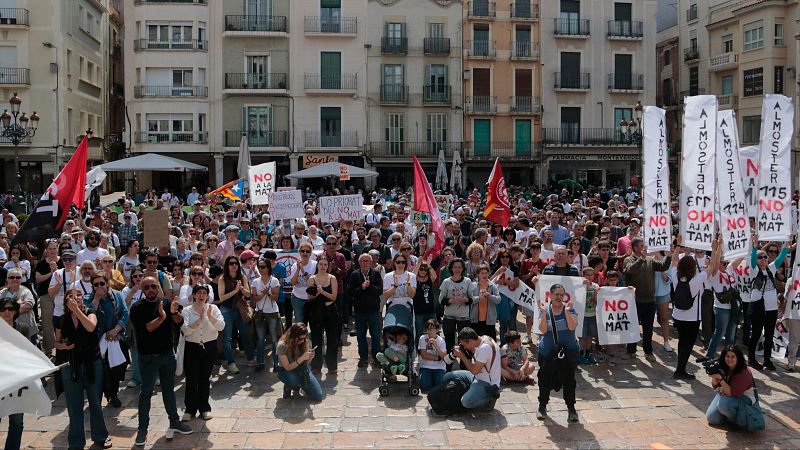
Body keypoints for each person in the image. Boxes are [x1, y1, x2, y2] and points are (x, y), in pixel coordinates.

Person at [129, 276, 192, 447]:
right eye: (147, 287)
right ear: (142, 290)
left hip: (167, 354)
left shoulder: (166, 301)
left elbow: (179, 322)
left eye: (153, 286)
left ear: (158, 287)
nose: (150, 289)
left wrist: (173, 313)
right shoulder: (136, 308)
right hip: (148, 357)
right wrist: (163, 317)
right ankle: (143, 429)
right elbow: (147, 328)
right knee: (146, 393)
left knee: (168, 390)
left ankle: (174, 421)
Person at [55, 288, 111, 450]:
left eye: (79, 294)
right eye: (71, 295)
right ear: (66, 300)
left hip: (92, 364)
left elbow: (90, 327)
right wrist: (64, 347)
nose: (76, 297)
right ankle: (76, 442)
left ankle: (100, 436)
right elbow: (56, 343)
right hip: (70, 366)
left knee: (95, 402)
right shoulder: (62, 320)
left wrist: (77, 310)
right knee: (74, 405)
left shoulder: (90, 311)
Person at [671, 238, 721, 380]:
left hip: (678, 315)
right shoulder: (696, 280)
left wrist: (678, 245)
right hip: (692, 318)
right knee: (688, 344)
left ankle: (679, 368)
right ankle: (680, 370)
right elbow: (711, 267)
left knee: (682, 342)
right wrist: (715, 249)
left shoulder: (676, 276)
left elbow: (674, 261)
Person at [622, 237, 673, 359]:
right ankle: (631, 351)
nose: (643, 248)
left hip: (650, 300)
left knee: (648, 328)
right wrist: (641, 259)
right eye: (641, 246)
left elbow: (663, 266)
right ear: (635, 248)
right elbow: (629, 270)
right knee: (633, 327)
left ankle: (648, 352)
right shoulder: (628, 259)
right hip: (635, 301)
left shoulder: (650, 260)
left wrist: (669, 256)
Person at [536, 284, 580, 423]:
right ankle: (542, 406)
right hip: (548, 353)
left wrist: (567, 312)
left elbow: (573, 326)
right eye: (557, 294)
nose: (559, 297)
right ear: (551, 295)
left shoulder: (570, 308)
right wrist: (543, 313)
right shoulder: (545, 309)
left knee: (569, 381)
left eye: (562, 295)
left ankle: (571, 409)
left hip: (567, 353)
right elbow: (542, 330)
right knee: (544, 380)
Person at [180, 285, 225, 421]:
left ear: (207, 295)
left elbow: (221, 326)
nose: (201, 296)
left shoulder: (214, 308)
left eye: (204, 293)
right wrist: (199, 319)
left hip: (209, 347)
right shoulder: (187, 311)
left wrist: (209, 316)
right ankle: (190, 409)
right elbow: (185, 330)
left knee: (205, 378)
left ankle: (204, 408)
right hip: (192, 348)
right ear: (194, 295)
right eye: (198, 293)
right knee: (192, 379)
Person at [84, 272, 129, 408]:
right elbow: (89, 313)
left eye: (102, 283)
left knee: (116, 368)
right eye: (96, 284)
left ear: (107, 283)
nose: (99, 286)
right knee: (101, 370)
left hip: (114, 337)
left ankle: (113, 393)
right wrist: (97, 299)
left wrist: (116, 330)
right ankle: (103, 394)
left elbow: (124, 313)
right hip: (96, 340)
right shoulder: (88, 298)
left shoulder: (117, 295)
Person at [749, 244, 789, 371]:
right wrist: (755, 247)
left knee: (769, 334)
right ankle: (751, 359)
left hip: (771, 309)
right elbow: (752, 259)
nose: (763, 259)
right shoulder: (754, 270)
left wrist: (786, 247)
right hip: (758, 308)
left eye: (765, 257)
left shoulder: (771, 269)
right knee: (755, 334)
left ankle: (767, 360)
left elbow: (780, 258)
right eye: (760, 257)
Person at [440, 327, 501, 411]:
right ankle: (474, 390)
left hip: (486, 383)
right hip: (477, 376)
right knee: (447, 376)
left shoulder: (484, 348)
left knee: (466, 402)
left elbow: (475, 370)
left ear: (471, 340)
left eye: (464, 345)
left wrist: (462, 356)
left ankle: (489, 398)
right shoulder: (485, 338)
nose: (464, 348)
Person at [216, 255, 254, 374]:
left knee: (245, 334)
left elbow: (248, 294)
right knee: (227, 338)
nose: (233, 265)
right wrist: (235, 291)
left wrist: (241, 288)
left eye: (235, 263)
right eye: (231, 263)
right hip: (226, 310)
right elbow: (222, 298)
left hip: (239, 309)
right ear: (227, 266)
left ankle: (250, 357)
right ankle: (231, 363)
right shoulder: (223, 278)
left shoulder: (242, 277)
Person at [0, 297, 29, 450]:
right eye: (3, 308)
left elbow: (30, 353)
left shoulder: (23, 328)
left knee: (17, 422)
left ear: (15, 311)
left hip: (17, 381)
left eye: (10, 308)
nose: (7, 312)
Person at [706, 346, 758, 428]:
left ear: (738, 358)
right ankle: (728, 415)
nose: (729, 359)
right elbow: (718, 389)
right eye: (727, 356)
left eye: (733, 356)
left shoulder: (744, 371)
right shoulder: (723, 367)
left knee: (723, 403)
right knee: (712, 419)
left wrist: (721, 379)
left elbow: (733, 393)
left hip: (744, 398)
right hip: (727, 394)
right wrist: (713, 376)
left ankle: (739, 421)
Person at [348, 253, 383, 367]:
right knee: (361, 335)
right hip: (360, 311)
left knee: (376, 335)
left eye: (367, 261)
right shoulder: (354, 275)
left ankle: (377, 358)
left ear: (371, 262)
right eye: (362, 261)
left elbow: (379, 291)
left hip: (373, 310)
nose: (365, 263)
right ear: (359, 263)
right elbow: (351, 292)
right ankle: (363, 357)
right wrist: (362, 287)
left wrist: (370, 286)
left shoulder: (376, 274)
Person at [306, 256, 339, 374]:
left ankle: (331, 366)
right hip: (316, 311)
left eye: (325, 264)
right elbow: (309, 297)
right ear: (317, 265)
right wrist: (317, 293)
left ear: (328, 266)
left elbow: (334, 297)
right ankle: (316, 366)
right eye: (321, 264)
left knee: (332, 339)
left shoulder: (332, 278)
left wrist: (323, 292)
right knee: (316, 339)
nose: (323, 266)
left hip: (330, 310)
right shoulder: (312, 279)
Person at [276, 323, 323, 401]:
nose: (303, 341)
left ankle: (301, 384)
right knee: (293, 379)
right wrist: (301, 358)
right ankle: (289, 386)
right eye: (300, 339)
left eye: (304, 338)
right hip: (285, 370)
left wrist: (310, 358)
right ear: (293, 336)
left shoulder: (306, 342)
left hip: (302, 369)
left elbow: (306, 363)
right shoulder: (282, 345)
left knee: (317, 396)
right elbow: (287, 368)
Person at [251, 260, 282, 372]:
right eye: (259, 267)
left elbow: (275, 298)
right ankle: (260, 362)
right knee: (260, 339)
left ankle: (276, 363)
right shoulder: (255, 281)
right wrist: (263, 294)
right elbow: (255, 299)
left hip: (272, 312)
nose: (261, 269)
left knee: (274, 339)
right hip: (260, 313)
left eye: (263, 267)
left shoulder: (274, 280)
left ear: (268, 268)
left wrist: (268, 293)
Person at [438, 258, 473, 351]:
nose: (457, 269)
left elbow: (472, 299)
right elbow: (440, 300)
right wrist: (451, 300)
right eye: (455, 267)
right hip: (449, 317)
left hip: (464, 317)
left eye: (459, 267)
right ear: (451, 269)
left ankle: (464, 364)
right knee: (449, 342)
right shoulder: (446, 281)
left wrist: (465, 299)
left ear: (462, 268)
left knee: (465, 342)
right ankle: (449, 363)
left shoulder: (468, 281)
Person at [0, 268, 37, 342]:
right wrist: (18, 305)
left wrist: (6, 310)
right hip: (6, 330)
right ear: (7, 279)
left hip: (25, 330)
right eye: (11, 277)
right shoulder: (2, 292)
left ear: (21, 280)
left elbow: (27, 306)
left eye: (18, 277)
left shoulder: (26, 291)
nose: (15, 279)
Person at [468, 264, 500, 339]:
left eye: (486, 273)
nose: (484, 275)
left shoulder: (492, 286)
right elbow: (469, 300)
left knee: (490, 341)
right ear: (478, 274)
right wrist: (479, 298)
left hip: (489, 319)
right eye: (482, 273)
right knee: (476, 341)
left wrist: (490, 296)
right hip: (475, 319)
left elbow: (498, 299)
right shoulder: (473, 285)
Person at [288, 241, 317, 323]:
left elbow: (315, 282)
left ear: (310, 253)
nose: (305, 253)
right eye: (303, 251)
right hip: (297, 298)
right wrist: (298, 269)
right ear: (299, 253)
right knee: (300, 322)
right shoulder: (294, 266)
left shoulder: (315, 265)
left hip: (311, 298)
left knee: (313, 322)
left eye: (307, 251)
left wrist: (303, 271)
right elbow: (293, 283)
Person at [418, 319, 447, 390]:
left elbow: (444, 357)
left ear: (437, 330)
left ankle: (435, 379)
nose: (430, 331)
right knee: (425, 386)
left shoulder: (441, 340)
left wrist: (436, 345)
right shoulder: (422, 338)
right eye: (428, 329)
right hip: (425, 366)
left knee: (440, 386)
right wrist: (438, 358)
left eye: (432, 329)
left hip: (439, 367)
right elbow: (424, 356)